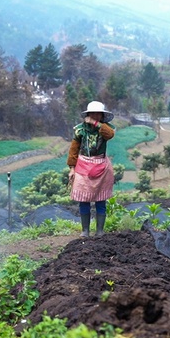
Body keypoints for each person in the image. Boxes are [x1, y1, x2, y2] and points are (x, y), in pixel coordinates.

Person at [67, 101, 116, 237]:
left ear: (102, 116)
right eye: (93, 113)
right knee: (84, 199)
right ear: (88, 114)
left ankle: (100, 231)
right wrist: (72, 168)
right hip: (83, 166)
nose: (95, 116)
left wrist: (95, 124)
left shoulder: (105, 129)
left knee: (101, 199)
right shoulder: (80, 130)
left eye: (98, 114)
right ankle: (85, 231)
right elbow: (74, 150)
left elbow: (110, 134)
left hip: (100, 165)